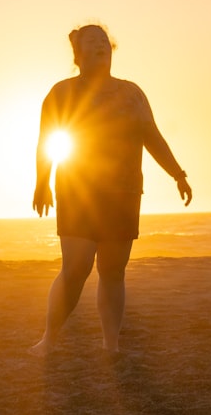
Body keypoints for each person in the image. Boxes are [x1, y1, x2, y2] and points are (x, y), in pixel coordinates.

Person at [30, 24, 192, 356]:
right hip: (78, 191)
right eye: (92, 41)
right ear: (78, 54)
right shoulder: (61, 92)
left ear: (111, 49)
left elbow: (153, 137)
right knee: (76, 269)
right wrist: (41, 183)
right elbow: (47, 140)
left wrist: (178, 174)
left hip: (124, 192)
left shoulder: (132, 93)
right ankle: (49, 339)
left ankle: (111, 345)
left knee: (113, 271)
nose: (100, 44)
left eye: (104, 40)